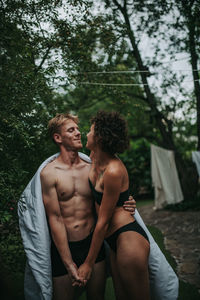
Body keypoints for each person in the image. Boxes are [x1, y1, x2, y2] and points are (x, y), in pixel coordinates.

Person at [40, 113, 136, 300]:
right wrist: (68, 263)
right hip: (63, 249)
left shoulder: (92, 168)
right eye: (71, 130)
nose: (78, 133)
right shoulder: (49, 174)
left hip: (92, 245)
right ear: (58, 138)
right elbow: (55, 218)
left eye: (78, 128)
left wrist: (126, 201)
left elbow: (109, 194)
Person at [77, 111, 150, 300]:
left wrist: (88, 263)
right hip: (114, 240)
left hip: (128, 239)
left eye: (90, 130)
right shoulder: (94, 156)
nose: (86, 133)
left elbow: (103, 222)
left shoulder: (113, 171)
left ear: (100, 137)